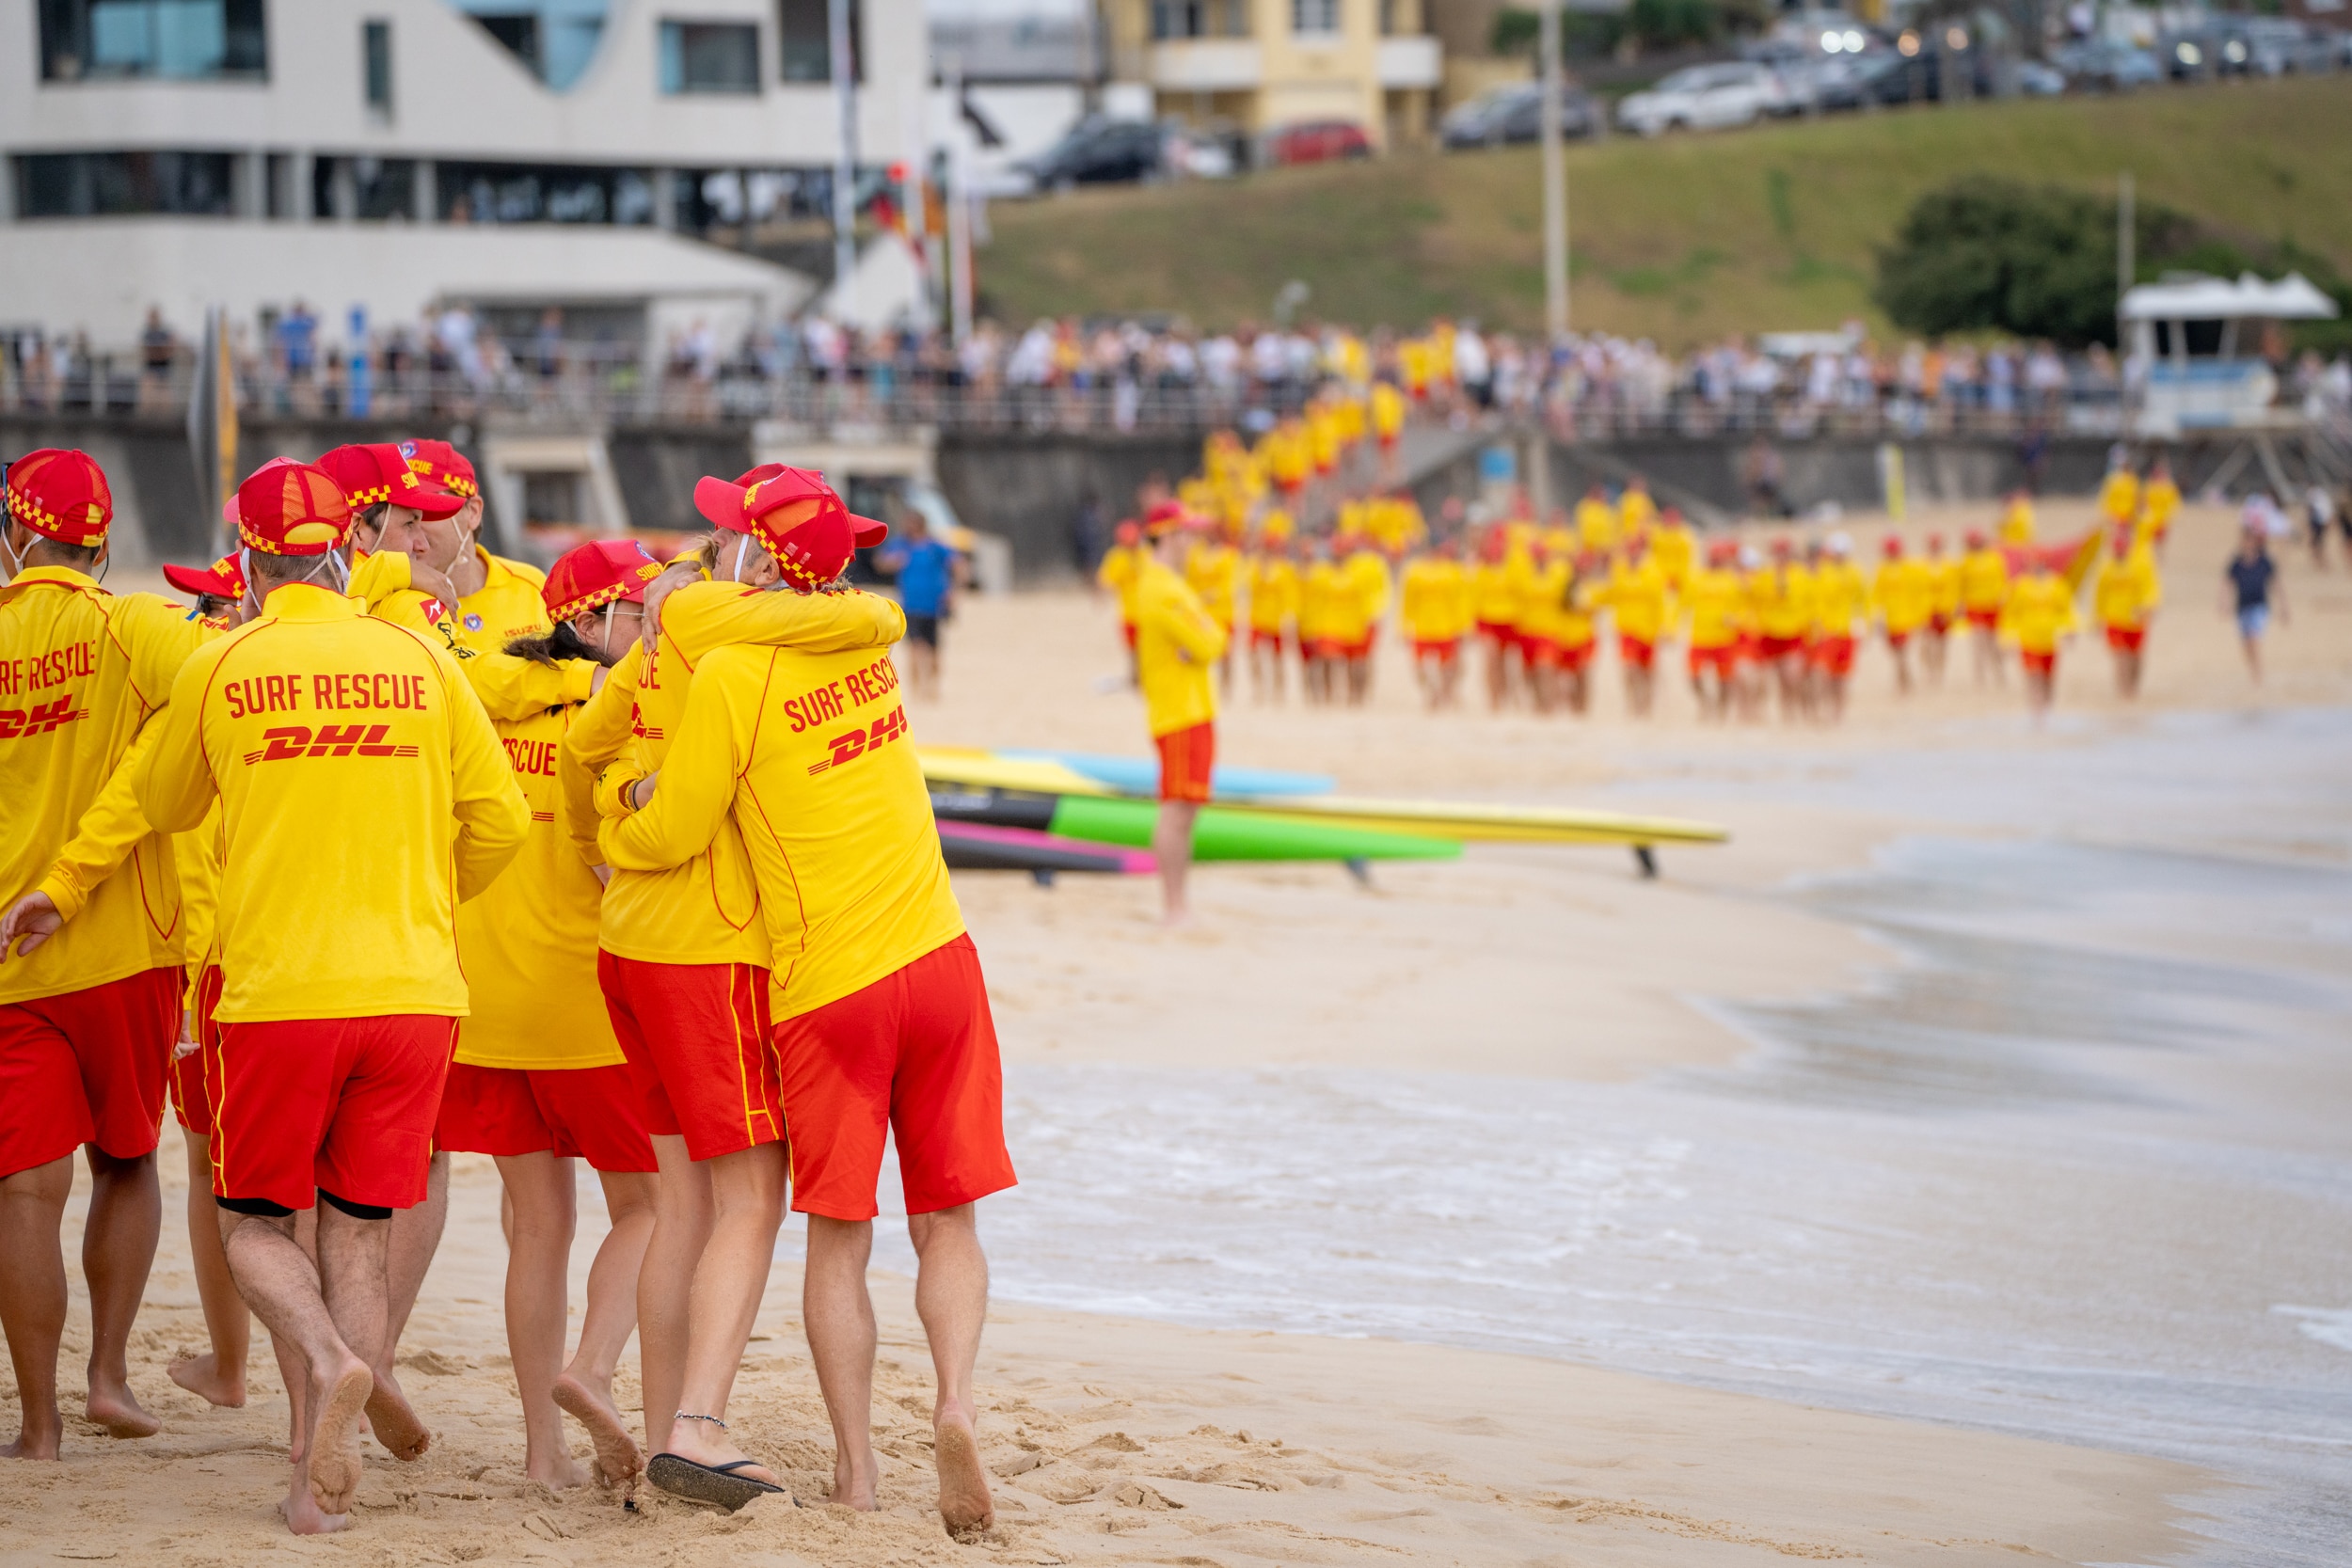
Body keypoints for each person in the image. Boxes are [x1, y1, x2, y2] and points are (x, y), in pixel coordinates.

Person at [597, 473, 1015, 1531]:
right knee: (948, 1217)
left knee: (838, 1236)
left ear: (752, 558)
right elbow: (841, 610)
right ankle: (955, 1401)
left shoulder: (732, 672)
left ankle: (858, 1469)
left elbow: (674, 829)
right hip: (943, 956)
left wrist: (612, 808)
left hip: (833, 989)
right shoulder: (868, 645)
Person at [132, 458, 531, 1533]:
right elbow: (501, 821)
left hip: (281, 989)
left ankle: (326, 1357)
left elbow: (164, 802)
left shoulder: (225, 659)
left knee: (256, 1224)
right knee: (357, 1231)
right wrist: (426, 894)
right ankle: (321, 1474)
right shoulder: (420, 655)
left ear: (251, 560)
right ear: (347, 549)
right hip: (412, 988)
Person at [555, 465, 905, 1490]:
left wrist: (595, 840)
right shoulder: (746, 646)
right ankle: (693, 1425)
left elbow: (582, 746)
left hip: (630, 943)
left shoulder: (670, 628)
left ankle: (663, 1426)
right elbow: (679, 823)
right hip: (710, 949)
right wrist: (626, 821)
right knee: (750, 1200)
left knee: (683, 1204)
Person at [434, 541, 665, 1491]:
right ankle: (593, 1365)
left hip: (485, 1000)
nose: (659, 623)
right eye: (645, 610)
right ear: (601, 619)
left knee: (538, 1227)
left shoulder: (479, 700)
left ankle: (543, 1452)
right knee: (654, 1210)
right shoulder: (620, 713)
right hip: (587, 1003)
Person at [0, 449, 209, 1459]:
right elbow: (215, 692)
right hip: (129, 948)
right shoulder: (136, 625)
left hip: (12, 954)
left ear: (16, 535)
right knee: (126, 1161)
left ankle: (37, 1426)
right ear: (102, 544)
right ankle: (109, 1378)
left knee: (24, 1193)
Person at [156, 552, 255, 1411]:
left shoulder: (198, 689)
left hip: (211, 964)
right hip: (298, 951)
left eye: (211, 606)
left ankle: (231, 1364)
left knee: (211, 1172)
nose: (200, 620)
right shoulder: (282, 692)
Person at [1133, 503, 1227, 925]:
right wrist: (1202, 633)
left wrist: (1203, 633)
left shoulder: (1169, 584)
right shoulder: (1161, 587)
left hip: (1190, 709)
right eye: (1187, 534)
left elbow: (1211, 640)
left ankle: (1179, 903)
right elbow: (1210, 643)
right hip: (1179, 711)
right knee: (1176, 810)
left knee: (1186, 809)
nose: (1193, 543)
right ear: (1169, 536)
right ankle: (1174, 907)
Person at [879, 509, 960, 701]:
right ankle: (917, 690)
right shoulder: (902, 545)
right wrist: (894, 561)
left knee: (933, 649)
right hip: (911, 604)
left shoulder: (934, 547)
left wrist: (954, 591)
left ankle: (932, 688)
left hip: (934, 604)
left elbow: (958, 564)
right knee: (915, 647)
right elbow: (881, 563)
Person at [2000, 549, 2076, 721]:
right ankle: (2035, 710)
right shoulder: (2020, 586)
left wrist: (2070, 629)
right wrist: (2007, 637)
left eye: (2037, 563)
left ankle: (2047, 710)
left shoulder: (2057, 585)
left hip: (2049, 639)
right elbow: (2010, 613)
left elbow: (2066, 610)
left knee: (2048, 678)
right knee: (2033, 675)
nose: (2034, 567)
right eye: (2031, 564)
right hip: (2028, 638)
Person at [1603, 531, 1670, 719]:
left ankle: (1646, 706)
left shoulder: (1653, 572)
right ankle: (1633, 704)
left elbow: (1660, 601)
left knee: (1648, 672)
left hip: (1648, 628)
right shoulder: (1619, 570)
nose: (1632, 554)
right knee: (1629, 668)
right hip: (1627, 626)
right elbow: (1611, 594)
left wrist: (1665, 625)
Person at [1400, 537, 1471, 710]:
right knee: (1418, 666)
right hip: (1422, 624)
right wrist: (1404, 625)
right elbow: (1408, 600)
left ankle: (1445, 693)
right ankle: (1432, 692)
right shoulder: (1415, 571)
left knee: (1449, 665)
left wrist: (1464, 625)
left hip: (1447, 624)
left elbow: (1462, 599)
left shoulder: (1453, 571)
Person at [2093, 525, 2162, 699]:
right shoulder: (2106, 568)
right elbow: (2099, 595)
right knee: (2121, 656)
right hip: (2114, 618)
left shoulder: (2140, 564)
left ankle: (2133, 687)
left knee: (2136, 657)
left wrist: (2149, 606)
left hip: (2137, 619)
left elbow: (2150, 588)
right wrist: (2097, 618)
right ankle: (2124, 691)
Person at [1682, 539, 1746, 721]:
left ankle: (1721, 711)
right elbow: (1683, 602)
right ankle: (1705, 702)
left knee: (1725, 679)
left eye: (1718, 557)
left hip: (1724, 636)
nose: (1714, 560)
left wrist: (1736, 619)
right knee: (1693, 676)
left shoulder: (1732, 580)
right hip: (1700, 635)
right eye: (1712, 557)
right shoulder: (1696, 578)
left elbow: (1744, 607)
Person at [1808, 532, 1867, 723]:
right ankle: (1823, 710)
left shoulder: (1855, 572)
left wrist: (1864, 623)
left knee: (1840, 676)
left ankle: (1838, 713)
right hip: (1826, 630)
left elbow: (1863, 600)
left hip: (1847, 629)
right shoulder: (1822, 571)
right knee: (1821, 673)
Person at [1244, 517, 1298, 703]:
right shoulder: (1254, 566)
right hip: (1258, 617)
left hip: (1276, 618)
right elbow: (1247, 585)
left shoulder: (1284, 569)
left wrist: (1288, 617)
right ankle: (1258, 687)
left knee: (1278, 658)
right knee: (1253, 655)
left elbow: (1289, 595)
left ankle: (1278, 690)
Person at [2223, 525, 2287, 683]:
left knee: (2253, 637)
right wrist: (2224, 603)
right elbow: (2227, 584)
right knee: (2246, 644)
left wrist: (2283, 607)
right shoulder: (2236, 563)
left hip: (2259, 606)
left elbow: (2276, 584)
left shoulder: (2264, 562)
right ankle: (2254, 668)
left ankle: (2258, 672)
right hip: (2242, 607)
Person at [1871, 535, 1933, 695]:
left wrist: (1921, 616)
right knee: (1896, 653)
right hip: (1890, 618)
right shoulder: (1883, 569)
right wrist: (1877, 616)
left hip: (1906, 618)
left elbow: (1920, 593)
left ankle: (1902, 684)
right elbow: (1877, 594)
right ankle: (1906, 681)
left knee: (1902, 653)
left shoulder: (1910, 568)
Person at [1185, 518, 1242, 695]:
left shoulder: (1229, 555)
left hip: (1224, 610)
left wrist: (1213, 594)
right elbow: (1190, 579)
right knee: (1199, 649)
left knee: (1226, 653)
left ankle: (1226, 686)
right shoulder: (1195, 554)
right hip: (1201, 610)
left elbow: (1231, 582)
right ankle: (1205, 684)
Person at [1095, 519, 1145, 684]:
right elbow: (1105, 580)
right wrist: (1101, 597)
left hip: (1146, 610)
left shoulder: (1146, 553)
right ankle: (1134, 677)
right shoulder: (1117, 557)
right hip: (1129, 612)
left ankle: (1142, 675)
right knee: (1132, 649)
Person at [1960, 528, 2010, 687]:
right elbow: (1961, 584)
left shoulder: (1994, 558)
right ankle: (1979, 678)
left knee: (1994, 644)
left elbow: (2002, 580)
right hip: (1975, 606)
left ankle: (1999, 674)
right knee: (1978, 644)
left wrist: (2004, 597)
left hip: (1993, 605)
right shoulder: (1966, 561)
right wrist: (1960, 604)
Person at [1920, 532, 1959, 686]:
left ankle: (1939, 672)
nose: (1935, 548)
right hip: (1927, 609)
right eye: (1933, 545)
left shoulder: (1949, 565)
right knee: (1927, 644)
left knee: (1942, 645)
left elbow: (1954, 588)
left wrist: (1953, 608)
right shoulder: (1922, 565)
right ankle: (1929, 671)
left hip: (1944, 609)